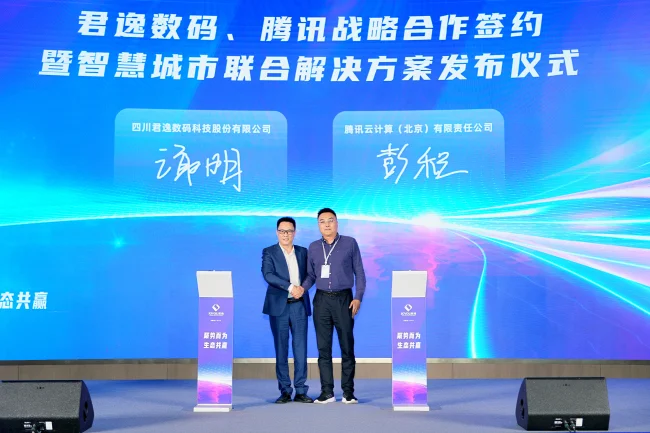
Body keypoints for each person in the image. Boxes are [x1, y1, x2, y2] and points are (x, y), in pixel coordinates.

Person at [302, 208, 366, 404]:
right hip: (321, 300)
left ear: (337, 223)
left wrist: (358, 297)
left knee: (347, 346)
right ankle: (327, 392)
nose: (327, 224)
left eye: (330, 220)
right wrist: (302, 289)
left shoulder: (350, 243)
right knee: (323, 348)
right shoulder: (313, 247)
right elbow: (311, 276)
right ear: (318, 225)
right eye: (322, 221)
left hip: (344, 300)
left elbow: (359, 272)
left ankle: (348, 392)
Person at [261, 217, 313, 404]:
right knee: (281, 349)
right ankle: (284, 390)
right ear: (277, 232)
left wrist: (303, 289)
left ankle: (301, 390)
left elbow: (311, 275)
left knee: (300, 349)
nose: (286, 234)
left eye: (289, 231)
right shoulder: (269, 252)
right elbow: (268, 275)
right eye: (282, 231)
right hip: (279, 307)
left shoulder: (303, 252)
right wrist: (291, 287)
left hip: (299, 305)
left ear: (295, 233)